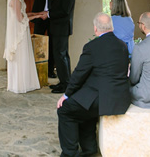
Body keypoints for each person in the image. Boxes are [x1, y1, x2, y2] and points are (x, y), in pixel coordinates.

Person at [56, 13, 131, 156]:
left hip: (102, 99)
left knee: (65, 110)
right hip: (120, 98)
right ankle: (89, 149)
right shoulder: (122, 45)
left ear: (96, 29)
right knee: (84, 105)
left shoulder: (92, 46)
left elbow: (79, 73)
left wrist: (66, 95)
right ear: (111, 27)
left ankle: (69, 153)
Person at [40, 0, 75, 93]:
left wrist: (48, 14)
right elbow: (60, 3)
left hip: (62, 28)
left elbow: (64, 11)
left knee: (61, 55)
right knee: (61, 55)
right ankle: (64, 81)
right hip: (59, 28)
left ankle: (65, 85)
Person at [4, 0, 41, 93]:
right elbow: (20, 18)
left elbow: (22, 14)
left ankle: (24, 81)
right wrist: (38, 16)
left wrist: (36, 14)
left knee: (22, 55)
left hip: (20, 28)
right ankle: (19, 84)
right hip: (18, 32)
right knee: (20, 55)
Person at [23, 0, 57, 77]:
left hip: (53, 18)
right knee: (37, 42)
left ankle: (50, 70)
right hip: (39, 17)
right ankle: (35, 70)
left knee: (52, 43)